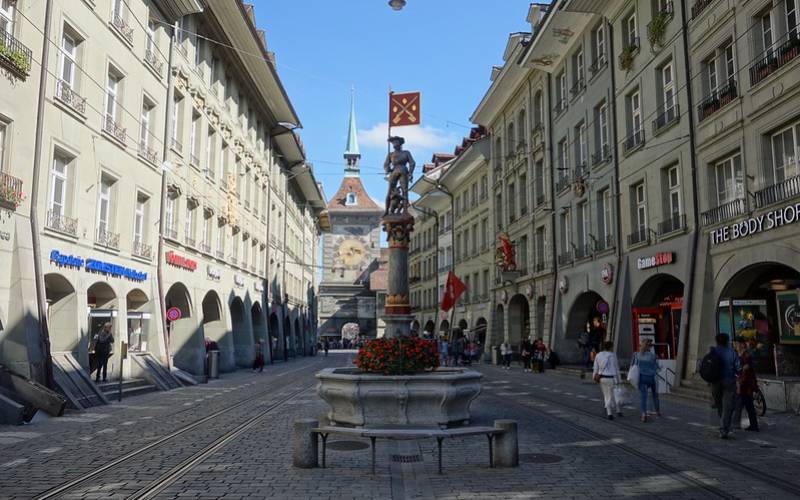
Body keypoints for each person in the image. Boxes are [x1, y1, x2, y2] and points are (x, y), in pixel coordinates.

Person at [710, 333, 742, 439]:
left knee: (720, 405)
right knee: (727, 407)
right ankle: (724, 429)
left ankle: (723, 424)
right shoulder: (732, 352)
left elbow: (706, 365)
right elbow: (738, 368)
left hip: (715, 382)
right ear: (727, 341)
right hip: (729, 381)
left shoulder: (713, 351)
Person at [734, 339, 759, 432]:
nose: (735, 345)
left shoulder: (746, 355)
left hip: (746, 384)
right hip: (742, 383)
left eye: (737, 344)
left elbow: (746, 368)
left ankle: (753, 425)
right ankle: (753, 425)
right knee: (747, 405)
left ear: (742, 345)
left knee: (745, 405)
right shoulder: (739, 355)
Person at [633, 339, 660, 422]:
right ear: (650, 347)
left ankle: (644, 414)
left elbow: (634, 365)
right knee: (655, 394)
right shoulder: (653, 356)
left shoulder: (637, 355)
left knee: (643, 397)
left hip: (642, 377)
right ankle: (657, 411)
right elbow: (656, 367)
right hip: (651, 377)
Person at [593, 341, 622, 420]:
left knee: (607, 395)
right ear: (610, 347)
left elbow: (595, 367)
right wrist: (619, 379)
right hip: (611, 378)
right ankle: (617, 411)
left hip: (602, 378)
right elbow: (616, 368)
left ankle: (610, 413)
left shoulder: (598, 355)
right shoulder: (613, 355)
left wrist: (594, 376)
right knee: (614, 395)